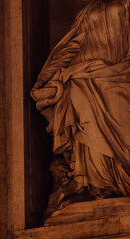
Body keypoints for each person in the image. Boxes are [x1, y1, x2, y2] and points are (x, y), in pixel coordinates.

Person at [31, 0, 130, 214]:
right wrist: (44, 78)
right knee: (85, 125)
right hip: (82, 78)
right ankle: (96, 184)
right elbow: (71, 46)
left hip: (120, 75)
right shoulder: (88, 10)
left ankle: (118, 179)